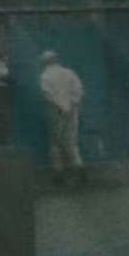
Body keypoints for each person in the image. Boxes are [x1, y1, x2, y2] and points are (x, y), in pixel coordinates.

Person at [39, 50, 85, 187]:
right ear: (56, 59)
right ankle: (80, 172)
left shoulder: (45, 76)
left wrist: (60, 108)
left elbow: (48, 96)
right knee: (71, 142)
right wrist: (72, 106)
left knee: (55, 143)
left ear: (44, 62)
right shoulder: (69, 73)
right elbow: (79, 91)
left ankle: (58, 175)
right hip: (71, 112)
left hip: (55, 112)